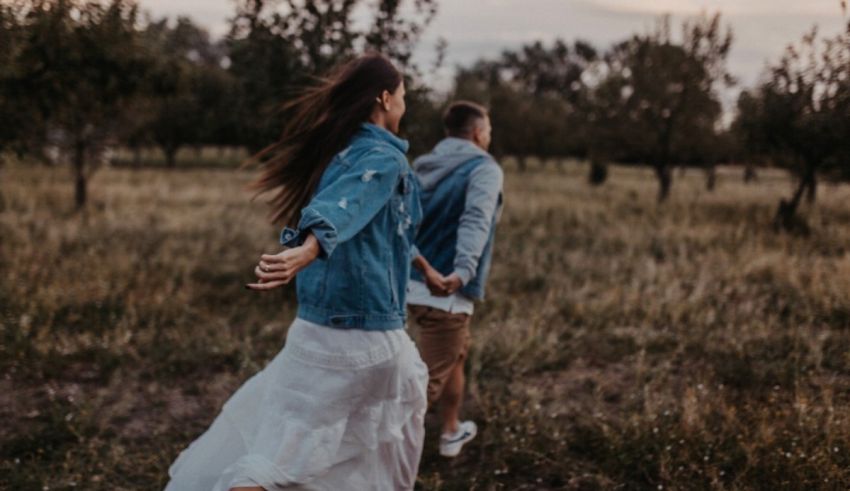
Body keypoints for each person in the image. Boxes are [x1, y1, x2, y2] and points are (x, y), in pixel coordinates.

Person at [164, 53, 434, 491]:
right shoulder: (382, 159)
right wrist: (307, 249)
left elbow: (383, 230)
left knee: (295, 445)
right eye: (403, 97)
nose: (405, 107)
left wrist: (424, 266)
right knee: (362, 439)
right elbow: (340, 209)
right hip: (361, 334)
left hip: (315, 329)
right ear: (385, 99)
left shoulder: (341, 153)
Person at [407, 101, 504, 458]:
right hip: (445, 291)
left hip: (411, 283)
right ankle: (363, 464)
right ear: (478, 133)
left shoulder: (422, 165)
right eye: (489, 131)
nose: (489, 137)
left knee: (456, 356)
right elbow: (475, 219)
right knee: (420, 391)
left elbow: (404, 222)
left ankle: (451, 430)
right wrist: (462, 273)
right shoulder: (484, 168)